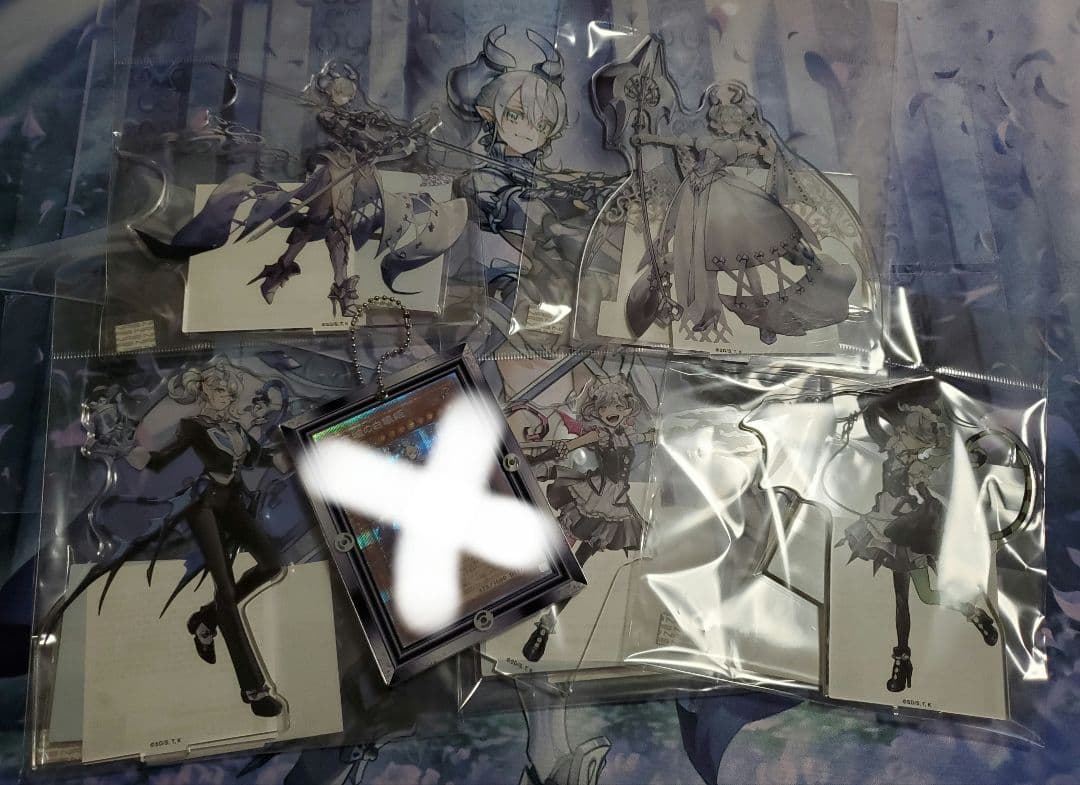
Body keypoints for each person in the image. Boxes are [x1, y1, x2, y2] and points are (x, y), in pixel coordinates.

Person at [127, 360, 287, 716]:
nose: (226, 396)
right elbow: (164, 458)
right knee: (226, 592)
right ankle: (254, 690)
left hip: (232, 503)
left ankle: (206, 619)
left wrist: (297, 449)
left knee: (273, 565)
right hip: (203, 506)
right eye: (219, 390)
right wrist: (140, 457)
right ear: (204, 392)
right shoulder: (193, 426)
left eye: (228, 391)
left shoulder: (235, 427)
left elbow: (261, 458)